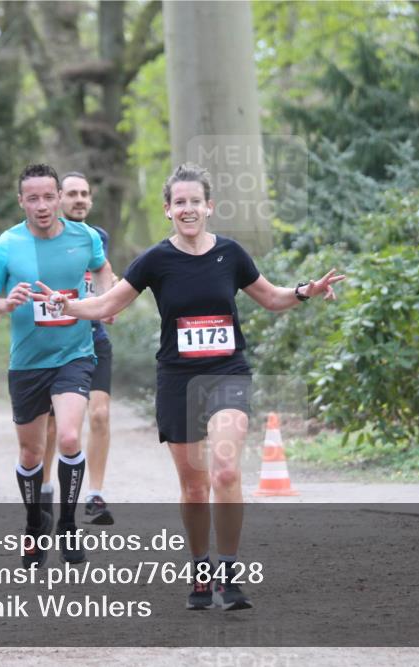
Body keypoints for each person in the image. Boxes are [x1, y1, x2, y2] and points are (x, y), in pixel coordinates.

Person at [40, 163, 345, 611]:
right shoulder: (155, 260)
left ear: (209, 206)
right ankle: (200, 567)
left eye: (195, 201)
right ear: (168, 209)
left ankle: (229, 571)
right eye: (179, 202)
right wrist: (68, 304)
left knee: (224, 468)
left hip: (227, 372)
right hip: (178, 379)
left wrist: (304, 290)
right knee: (195, 486)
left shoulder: (231, 254)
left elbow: (271, 297)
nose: (187, 209)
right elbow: (108, 302)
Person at [0, 163, 113, 567]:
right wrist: (5, 302)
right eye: (32, 198)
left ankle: (67, 523)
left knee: (69, 438)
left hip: (75, 354)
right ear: (21, 202)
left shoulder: (83, 237)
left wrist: (107, 301)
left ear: (58, 197)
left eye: (49, 196)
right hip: (28, 363)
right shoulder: (6, 245)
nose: (42, 205)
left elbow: (102, 268)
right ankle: (35, 524)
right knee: (31, 453)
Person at [43, 172, 117, 526]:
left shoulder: (97, 238)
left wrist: (109, 302)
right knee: (52, 427)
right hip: (55, 344)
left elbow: (107, 278)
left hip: (94, 339)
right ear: (58, 198)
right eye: (72, 193)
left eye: (85, 194)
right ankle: (43, 488)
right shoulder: (42, 238)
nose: (80, 200)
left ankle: (95, 495)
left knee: (100, 415)